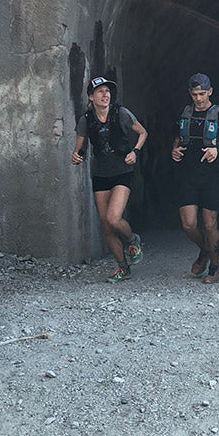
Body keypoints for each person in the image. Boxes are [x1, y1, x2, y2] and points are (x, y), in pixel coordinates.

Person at [71, 76, 147, 282]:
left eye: (107, 91)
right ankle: (123, 267)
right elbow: (79, 147)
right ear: (91, 97)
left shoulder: (121, 113)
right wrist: (76, 155)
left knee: (114, 218)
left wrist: (135, 152)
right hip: (100, 174)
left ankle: (132, 239)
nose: (105, 95)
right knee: (106, 225)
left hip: (122, 171)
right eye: (100, 91)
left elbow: (142, 132)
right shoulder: (86, 119)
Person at [171, 73, 219, 284]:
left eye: (202, 93)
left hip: (212, 175)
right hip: (188, 174)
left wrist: (217, 151)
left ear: (210, 91)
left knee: (210, 225)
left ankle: (215, 267)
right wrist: (174, 150)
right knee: (189, 224)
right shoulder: (185, 114)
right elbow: (177, 138)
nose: (198, 98)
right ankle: (205, 250)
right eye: (194, 94)